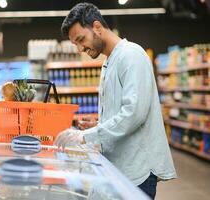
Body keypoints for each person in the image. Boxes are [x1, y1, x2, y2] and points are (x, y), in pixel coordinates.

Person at [54, 3, 176, 199]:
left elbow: (134, 114)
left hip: (137, 172)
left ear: (97, 27)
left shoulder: (131, 55)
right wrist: (99, 124)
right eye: (75, 44)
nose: (79, 48)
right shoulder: (110, 61)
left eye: (80, 39)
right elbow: (123, 113)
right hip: (121, 168)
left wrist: (85, 136)